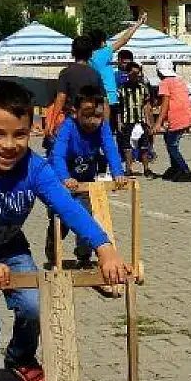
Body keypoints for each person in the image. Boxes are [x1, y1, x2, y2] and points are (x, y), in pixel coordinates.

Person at [0, 81, 133, 381]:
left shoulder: (36, 168)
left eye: (20, 135)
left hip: (10, 243)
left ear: (32, 132)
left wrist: (104, 248)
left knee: (32, 305)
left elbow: (67, 207)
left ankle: (22, 358)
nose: (9, 145)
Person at [47, 86, 126, 267]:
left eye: (98, 116)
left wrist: (118, 173)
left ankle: (84, 257)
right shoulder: (68, 127)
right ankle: (53, 256)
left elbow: (110, 149)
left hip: (85, 181)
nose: (93, 121)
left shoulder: (102, 128)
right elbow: (58, 155)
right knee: (61, 223)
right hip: (60, 182)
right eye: (88, 115)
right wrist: (65, 178)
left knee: (87, 218)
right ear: (75, 113)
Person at [47, 36, 102, 151]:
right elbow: (103, 101)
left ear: (73, 52)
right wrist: (104, 124)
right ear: (91, 54)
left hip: (72, 119)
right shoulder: (95, 74)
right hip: (90, 121)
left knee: (68, 153)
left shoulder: (66, 73)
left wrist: (52, 122)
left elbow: (61, 97)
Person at [87, 12, 148, 116]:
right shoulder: (103, 53)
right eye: (104, 40)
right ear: (101, 42)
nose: (106, 43)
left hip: (96, 98)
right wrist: (138, 23)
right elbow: (124, 40)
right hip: (109, 98)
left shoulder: (89, 57)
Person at [154, 60, 191, 182]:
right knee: (169, 141)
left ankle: (185, 170)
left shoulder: (164, 83)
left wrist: (158, 122)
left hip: (177, 118)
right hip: (186, 115)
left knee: (172, 146)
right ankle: (175, 168)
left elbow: (165, 103)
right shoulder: (180, 81)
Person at [117, 61, 153, 175]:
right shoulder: (121, 89)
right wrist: (119, 122)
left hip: (141, 120)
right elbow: (119, 107)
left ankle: (146, 169)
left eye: (138, 73)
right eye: (133, 73)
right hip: (127, 121)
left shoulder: (143, 88)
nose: (136, 76)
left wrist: (149, 122)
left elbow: (147, 106)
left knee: (144, 146)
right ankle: (128, 169)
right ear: (127, 74)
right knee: (127, 146)